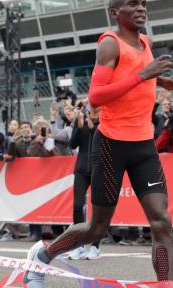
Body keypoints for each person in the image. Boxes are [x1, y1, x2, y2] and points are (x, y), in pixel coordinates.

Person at [23, 0, 173, 287]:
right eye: (133, 4)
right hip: (112, 145)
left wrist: (162, 79)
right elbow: (96, 97)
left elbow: (138, 73)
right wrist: (144, 74)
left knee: (161, 221)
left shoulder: (144, 42)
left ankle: (166, 285)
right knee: (97, 229)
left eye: (143, 3)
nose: (141, 9)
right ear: (116, 13)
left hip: (143, 146)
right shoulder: (109, 44)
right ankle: (43, 257)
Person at [67, 105, 101, 260]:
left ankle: (95, 246)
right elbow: (72, 144)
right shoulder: (80, 121)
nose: (93, 108)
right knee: (77, 206)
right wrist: (79, 126)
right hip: (81, 170)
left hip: (99, 169)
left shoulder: (103, 122)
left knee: (99, 208)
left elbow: (102, 142)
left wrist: (92, 127)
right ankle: (79, 245)